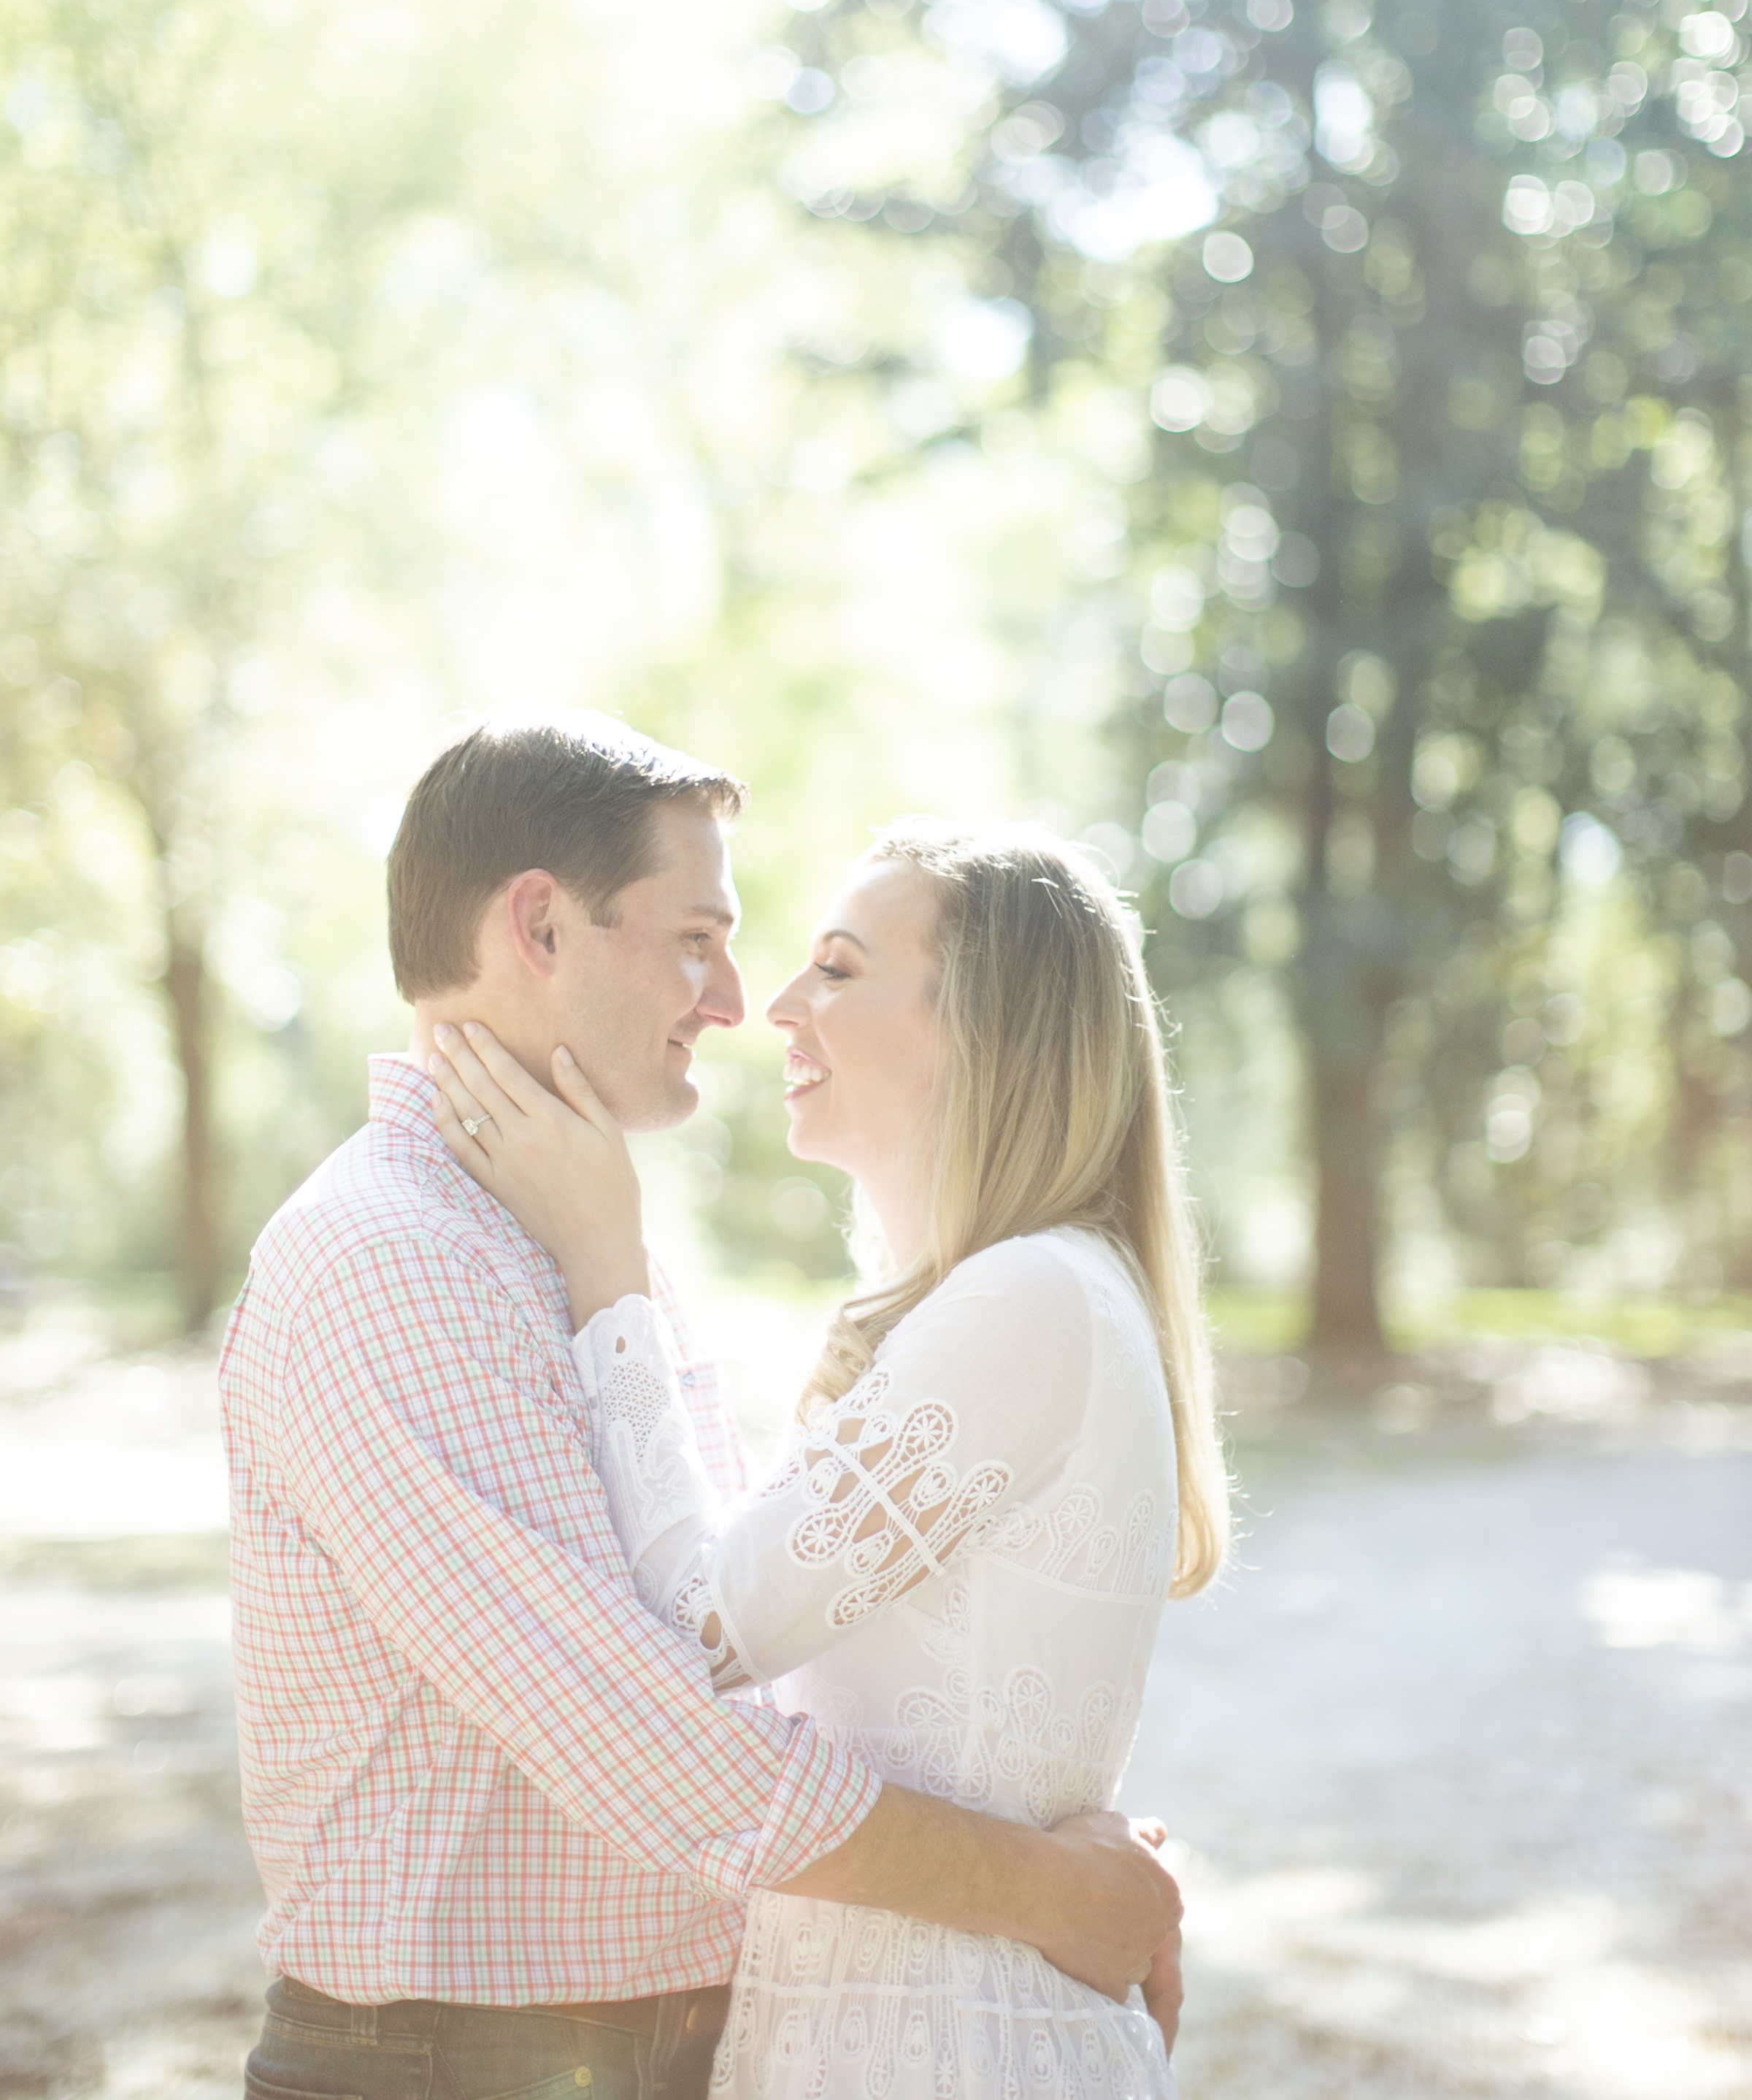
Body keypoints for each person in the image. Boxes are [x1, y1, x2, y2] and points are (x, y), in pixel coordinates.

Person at [224, 718, 1185, 2100]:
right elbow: (656, 1741)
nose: (736, 1000)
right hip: (462, 2067)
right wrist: (1045, 1889)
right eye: (695, 939)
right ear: (542, 929)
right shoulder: (392, 1262)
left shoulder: (583, 1244)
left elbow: (764, 1645)